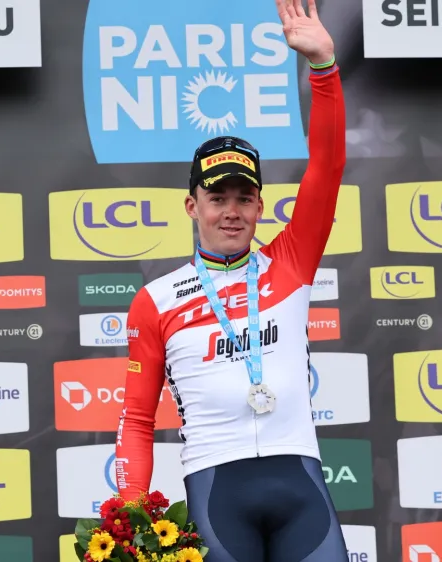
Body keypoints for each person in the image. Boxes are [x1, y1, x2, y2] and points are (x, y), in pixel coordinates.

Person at [114, 0, 347, 560]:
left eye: (244, 198)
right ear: (192, 206)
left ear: (261, 206)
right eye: (218, 199)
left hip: (300, 485)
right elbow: (137, 421)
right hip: (217, 490)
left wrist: (323, 69)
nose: (232, 212)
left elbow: (328, 166)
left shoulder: (290, 262)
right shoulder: (156, 300)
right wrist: (130, 520)